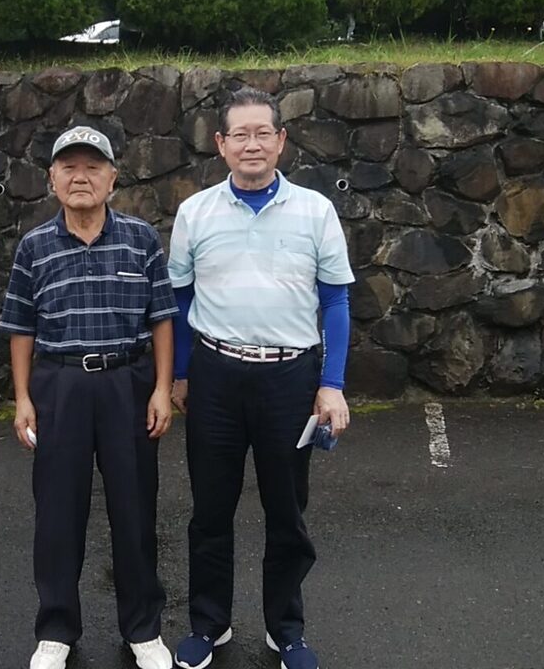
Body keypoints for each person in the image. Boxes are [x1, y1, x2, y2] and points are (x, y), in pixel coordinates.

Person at [169, 88, 354, 669]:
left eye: (263, 133)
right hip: (215, 377)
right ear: (221, 144)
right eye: (239, 134)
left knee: (286, 511)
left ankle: (286, 629)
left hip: (289, 379)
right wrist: (180, 374)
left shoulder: (315, 211)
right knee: (210, 510)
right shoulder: (195, 213)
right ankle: (209, 624)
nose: (252, 144)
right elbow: (179, 301)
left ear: (281, 140)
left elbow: (336, 302)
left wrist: (332, 383)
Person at [0, 125, 178, 669]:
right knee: (58, 513)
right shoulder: (34, 246)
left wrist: (162, 389)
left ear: (112, 178)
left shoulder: (140, 239)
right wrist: (23, 398)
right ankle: (56, 629)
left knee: (135, 510)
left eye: (93, 167)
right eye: (69, 168)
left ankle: (142, 629)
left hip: (128, 384)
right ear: (52, 178)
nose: (81, 177)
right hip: (60, 386)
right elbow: (21, 328)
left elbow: (162, 319)